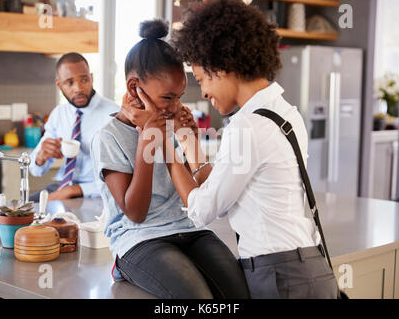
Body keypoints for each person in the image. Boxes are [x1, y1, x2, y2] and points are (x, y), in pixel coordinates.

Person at [148, 0, 338, 299]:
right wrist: (189, 144)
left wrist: (166, 150)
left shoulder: (247, 126)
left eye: (201, 79)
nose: (205, 92)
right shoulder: (284, 112)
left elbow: (202, 210)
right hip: (310, 270)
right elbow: (224, 194)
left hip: (280, 277)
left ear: (221, 67)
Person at [90, 19, 250, 299]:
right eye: (168, 97)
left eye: (179, 97)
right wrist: (147, 139)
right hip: (139, 240)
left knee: (240, 293)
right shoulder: (109, 137)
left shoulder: (170, 124)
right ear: (133, 87)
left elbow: (194, 193)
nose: (175, 106)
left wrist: (189, 139)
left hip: (189, 230)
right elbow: (135, 213)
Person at [29, 53, 119, 202]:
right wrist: (40, 157)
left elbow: (125, 176)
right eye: (69, 82)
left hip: (97, 192)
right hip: (62, 186)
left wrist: (75, 190)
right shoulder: (59, 114)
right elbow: (35, 170)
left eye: (84, 80)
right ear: (59, 85)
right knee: (22, 212)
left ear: (91, 78)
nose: (78, 88)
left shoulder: (114, 115)